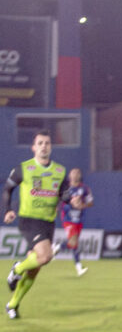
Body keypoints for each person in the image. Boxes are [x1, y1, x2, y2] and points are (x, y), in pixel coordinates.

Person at [3, 131, 76, 319]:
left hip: (47, 224)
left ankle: (12, 304)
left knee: (34, 269)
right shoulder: (24, 168)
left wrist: (71, 201)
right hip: (29, 220)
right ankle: (17, 269)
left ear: (51, 147)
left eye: (47, 143)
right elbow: (8, 189)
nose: (44, 146)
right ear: (34, 147)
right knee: (45, 256)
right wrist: (8, 210)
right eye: (40, 143)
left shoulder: (59, 171)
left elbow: (64, 194)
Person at [52, 168, 94, 276]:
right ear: (70, 175)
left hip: (79, 219)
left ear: (80, 176)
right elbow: (58, 197)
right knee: (73, 241)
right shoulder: (65, 187)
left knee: (74, 244)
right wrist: (56, 207)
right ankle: (57, 248)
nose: (75, 175)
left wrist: (82, 205)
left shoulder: (85, 189)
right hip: (67, 218)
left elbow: (90, 202)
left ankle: (78, 268)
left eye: (77, 173)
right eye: (73, 173)